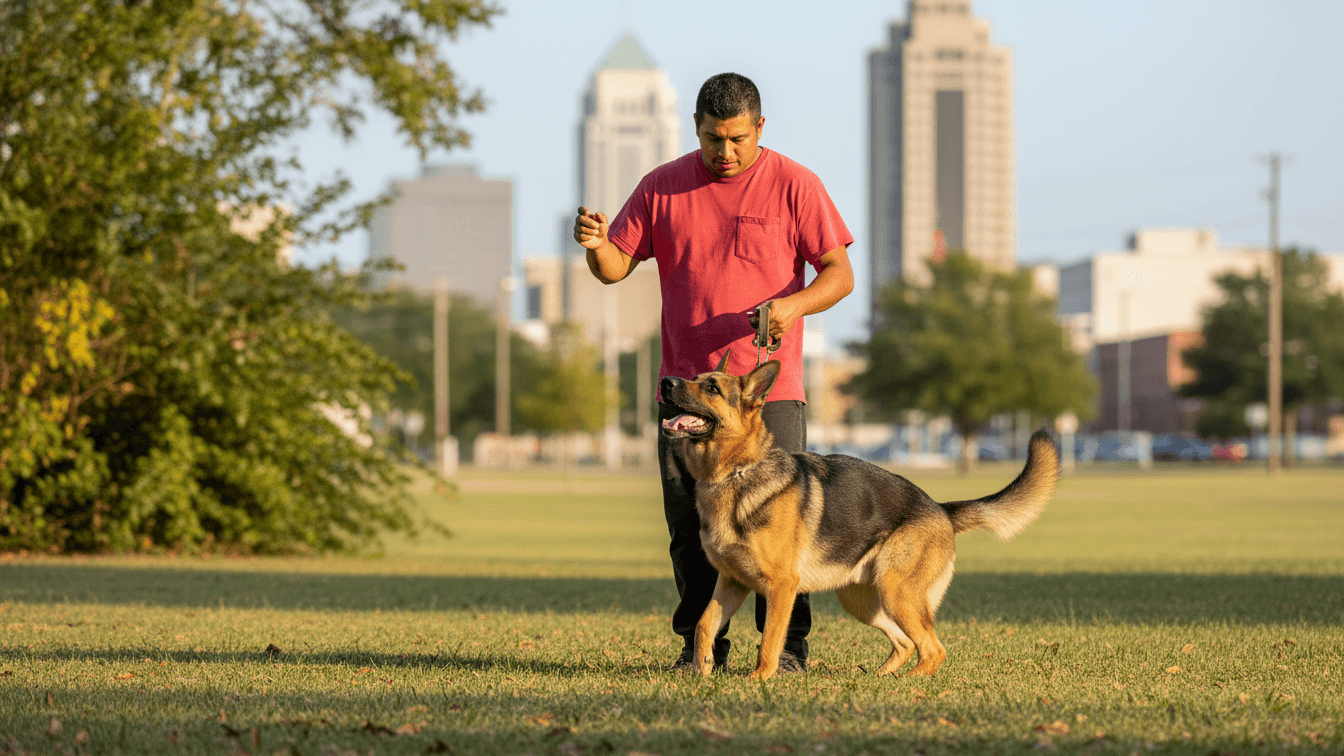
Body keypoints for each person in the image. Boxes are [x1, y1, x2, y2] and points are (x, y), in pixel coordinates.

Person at [573, 72, 854, 673]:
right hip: (683, 387)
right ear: (694, 129)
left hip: (765, 393)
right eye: (711, 139)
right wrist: (597, 243)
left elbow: (838, 273)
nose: (723, 153)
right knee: (689, 525)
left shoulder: (796, 185)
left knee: (783, 527)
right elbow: (614, 267)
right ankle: (700, 649)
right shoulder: (662, 187)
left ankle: (789, 652)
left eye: (735, 140)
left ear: (759, 128)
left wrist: (793, 305)